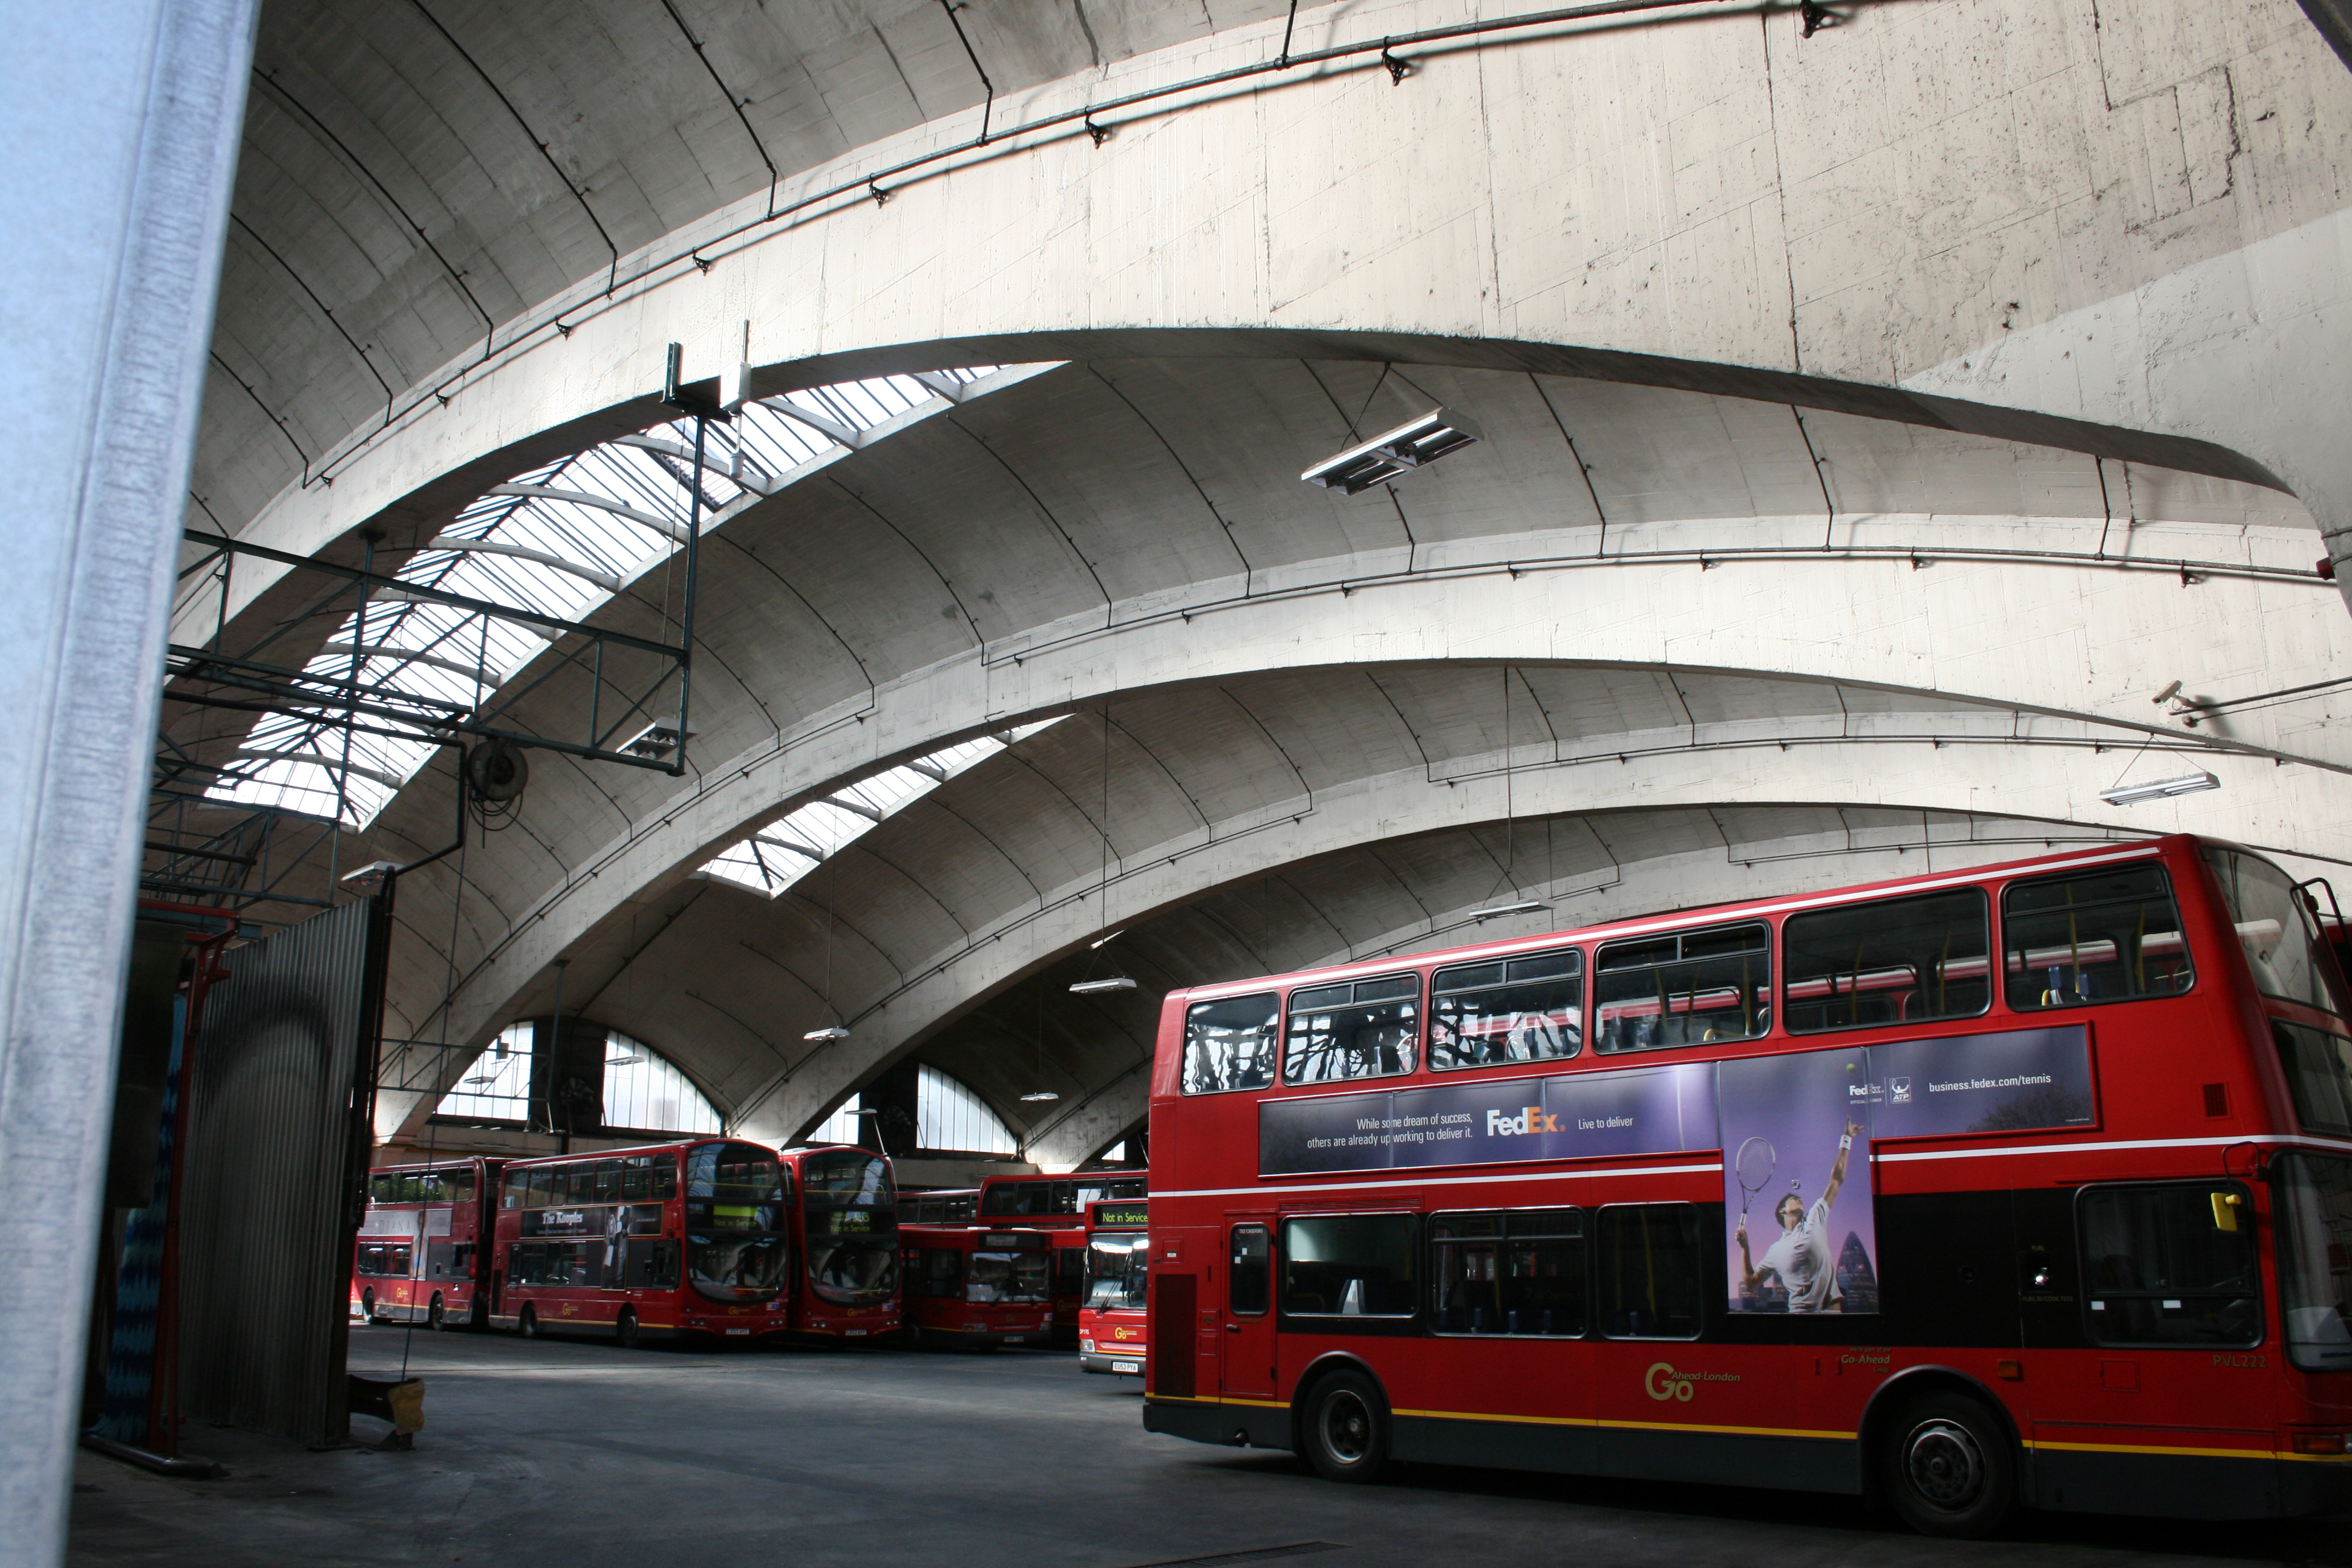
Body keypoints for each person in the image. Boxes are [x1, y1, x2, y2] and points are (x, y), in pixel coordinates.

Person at [1736, 1116, 1859, 1313]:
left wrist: (1847, 1138)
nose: (1800, 1199)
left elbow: (1837, 1179)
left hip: (1834, 1318)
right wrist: (1745, 1248)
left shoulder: (1815, 1218)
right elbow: (1750, 1284)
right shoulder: (1775, 1250)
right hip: (1801, 1321)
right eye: (1793, 1198)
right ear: (1783, 1211)